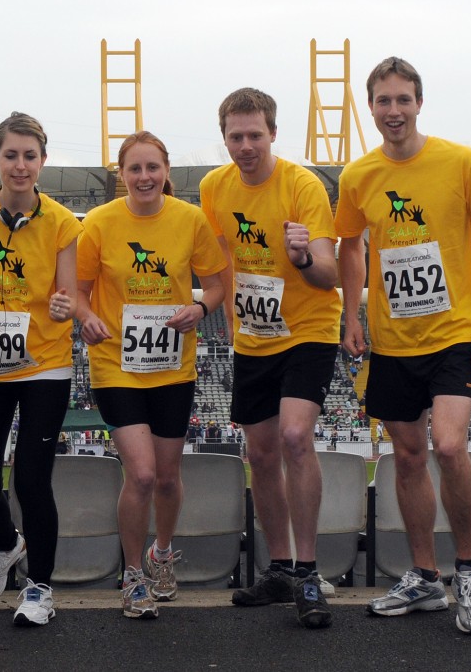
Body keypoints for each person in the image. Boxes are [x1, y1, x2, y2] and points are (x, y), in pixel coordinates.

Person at [337, 57, 471, 635]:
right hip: (391, 339)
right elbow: (350, 246)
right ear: (370, 107)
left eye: (403, 99)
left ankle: (469, 573)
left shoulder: (461, 161)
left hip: (455, 331)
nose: (394, 111)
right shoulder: (358, 176)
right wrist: (351, 314)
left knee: (450, 445)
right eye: (383, 101)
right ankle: (425, 576)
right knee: (407, 456)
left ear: (419, 102)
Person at [200, 88, 340, 629]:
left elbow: (328, 274)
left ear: (274, 134)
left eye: (255, 135)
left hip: (308, 329)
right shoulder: (214, 188)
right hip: (254, 336)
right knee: (259, 454)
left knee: (295, 437)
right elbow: (220, 259)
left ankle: (308, 572)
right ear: (224, 138)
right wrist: (222, 311)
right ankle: (279, 568)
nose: (245, 146)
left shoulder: (303, 186)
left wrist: (302, 257)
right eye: (235, 136)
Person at [76, 131, 226, 619]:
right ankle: (133, 574)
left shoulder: (190, 219)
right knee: (140, 474)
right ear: (121, 174)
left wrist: (200, 308)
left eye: (152, 167)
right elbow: (77, 291)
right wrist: (86, 317)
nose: (144, 177)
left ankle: (162, 553)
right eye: (134, 169)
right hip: (116, 364)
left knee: (166, 476)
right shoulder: (99, 223)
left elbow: (217, 285)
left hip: (172, 365)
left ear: (166, 171)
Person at [0, 112, 82, 627]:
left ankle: (40, 588)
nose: (20, 165)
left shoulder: (63, 222)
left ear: (43, 161)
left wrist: (63, 308)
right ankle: (5, 543)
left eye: (30, 156)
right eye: (11, 155)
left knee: (31, 481)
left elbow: (67, 296)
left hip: (45, 365)